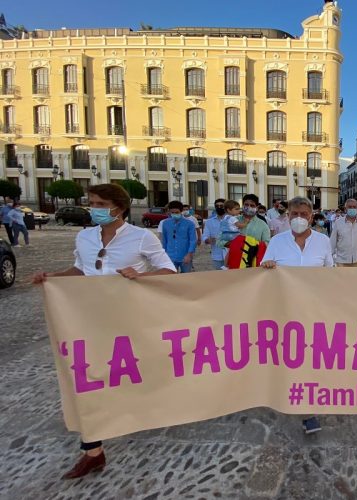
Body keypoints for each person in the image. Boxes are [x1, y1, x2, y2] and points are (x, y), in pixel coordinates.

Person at [31, 183, 176, 479]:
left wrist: (141, 275)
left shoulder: (141, 237)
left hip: (129, 321)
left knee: (136, 374)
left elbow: (169, 271)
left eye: (99, 204)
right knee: (84, 379)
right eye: (91, 203)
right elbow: (81, 270)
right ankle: (92, 451)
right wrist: (53, 278)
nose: (93, 208)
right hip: (88, 321)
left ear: (119, 208)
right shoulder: (85, 237)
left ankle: (147, 407)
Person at [260, 197, 332, 434]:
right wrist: (267, 267)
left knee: (312, 359)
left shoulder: (323, 241)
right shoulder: (277, 241)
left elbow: (331, 275)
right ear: (287, 216)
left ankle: (309, 408)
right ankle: (290, 395)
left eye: (304, 214)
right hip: (285, 312)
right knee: (291, 357)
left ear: (312, 216)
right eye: (294, 214)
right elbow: (262, 271)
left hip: (315, 311)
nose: (299, 218)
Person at [330, 198, 357, 267]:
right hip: (342, 262)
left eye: (354, 207)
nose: (352, 209)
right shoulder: (338, 223)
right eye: (350, 207)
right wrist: (330, 259)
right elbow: (332, 242)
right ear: (345, 209)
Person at [161, 200, 197, 273]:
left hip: (185, 256)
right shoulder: (165, 223)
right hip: (170, 256)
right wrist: (164, 255)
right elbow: (164, 240)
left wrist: (189, 255)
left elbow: (193, 240)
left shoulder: (189, 224)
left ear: (181, 211)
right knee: (171, 279)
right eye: (172, 212)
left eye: (176, 212)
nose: (174, 214)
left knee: (186, 279)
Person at [202, 199, 228, 270]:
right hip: (217, 254)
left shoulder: (232, 220)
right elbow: (205, 236)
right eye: (217, 206)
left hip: (230, 254)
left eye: (221, 206)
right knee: (219, 277)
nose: (219, 207)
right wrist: (207, 240)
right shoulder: (209, 222)